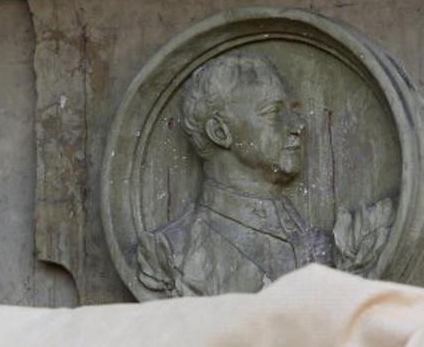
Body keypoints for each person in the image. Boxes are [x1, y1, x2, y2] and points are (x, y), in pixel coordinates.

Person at [137, 54, 393, 296]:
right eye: (273, 112)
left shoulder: (328, 245)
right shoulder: (168, 253)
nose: (298, 126)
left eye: (292, 111)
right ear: (220, 132)